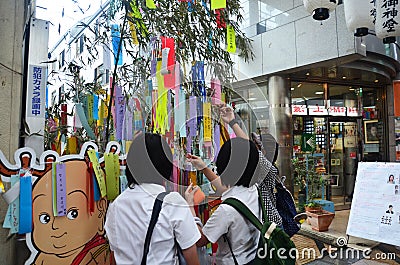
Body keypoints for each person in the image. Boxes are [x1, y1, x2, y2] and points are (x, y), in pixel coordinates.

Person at [105, 133, 200, 265]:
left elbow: (115, 257)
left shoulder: (116, 205)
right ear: (165, 164)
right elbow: (192, 258)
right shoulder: (172, 202)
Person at [186, 137, 262, 265]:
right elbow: (225, 189)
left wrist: (190, 207)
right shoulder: (254, 190)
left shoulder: (226, 211)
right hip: (253, 258)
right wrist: (203, 168)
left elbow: (200, 240)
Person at [32, 160, 112, 265]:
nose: (55, 226)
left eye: (73, 214)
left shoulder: (96, 254)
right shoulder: (44, 257)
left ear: (101, 209)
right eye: (45, 218)